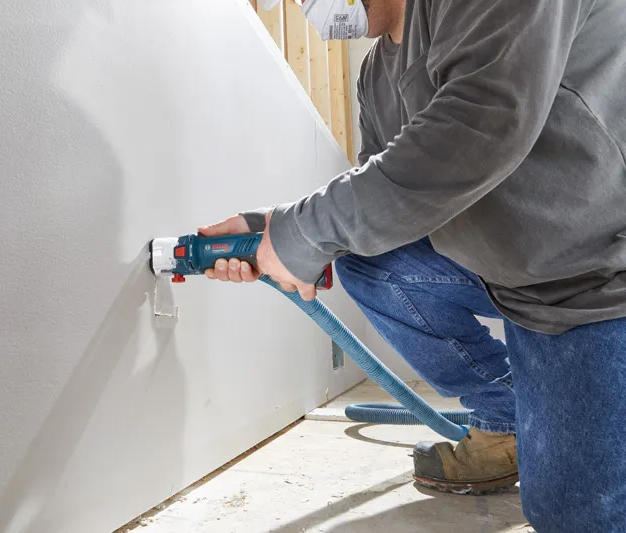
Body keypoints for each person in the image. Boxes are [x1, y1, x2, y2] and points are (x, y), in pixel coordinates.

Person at [198, 0, 626, 531]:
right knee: (368, 261)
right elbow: (391, 202)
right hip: (526, 269)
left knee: (580, 515)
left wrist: (301, 234)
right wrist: (274, 230)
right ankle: (508, 419)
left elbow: (476, 128)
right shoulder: (377, 73)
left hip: (600, 275)